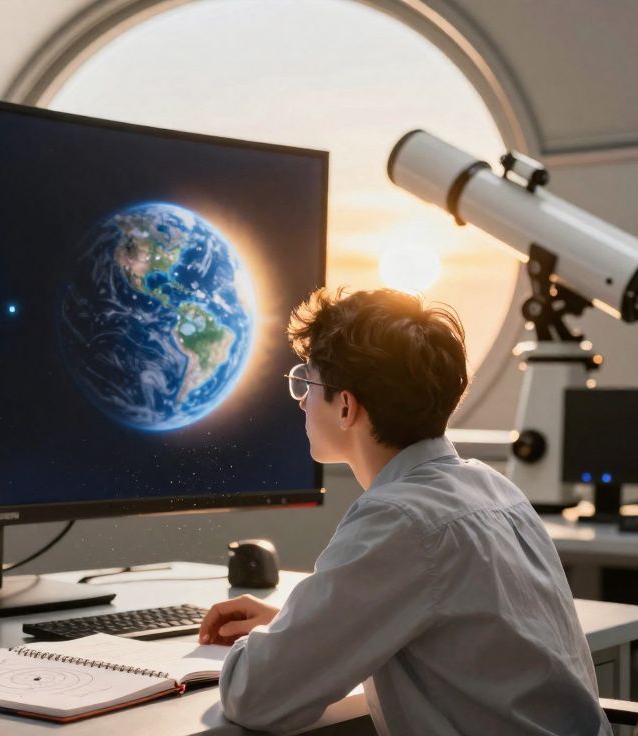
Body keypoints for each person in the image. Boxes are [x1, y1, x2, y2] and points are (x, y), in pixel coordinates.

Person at [200, 288, 609, 735]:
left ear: (345, 406)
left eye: (307, 382)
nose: (300, 400)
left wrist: (272, 645)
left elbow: (253, 694)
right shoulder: (494, 489)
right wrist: (299, 626)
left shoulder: (399, 521)